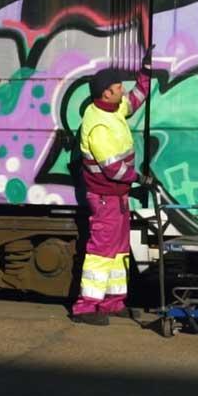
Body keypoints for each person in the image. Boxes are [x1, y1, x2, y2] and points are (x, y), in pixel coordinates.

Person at [70, 57, 152, 326]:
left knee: (118, 250)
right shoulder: (98, 125)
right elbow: (112, 170)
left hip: (116, 197)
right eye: (118, 87)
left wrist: (145, 72)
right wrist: (140, 178)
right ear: (106, 92)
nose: (123, 91)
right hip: (106, 197)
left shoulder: (113, 108)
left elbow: (136, 99)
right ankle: (86, 307)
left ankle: (113, 302)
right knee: (100, 251)